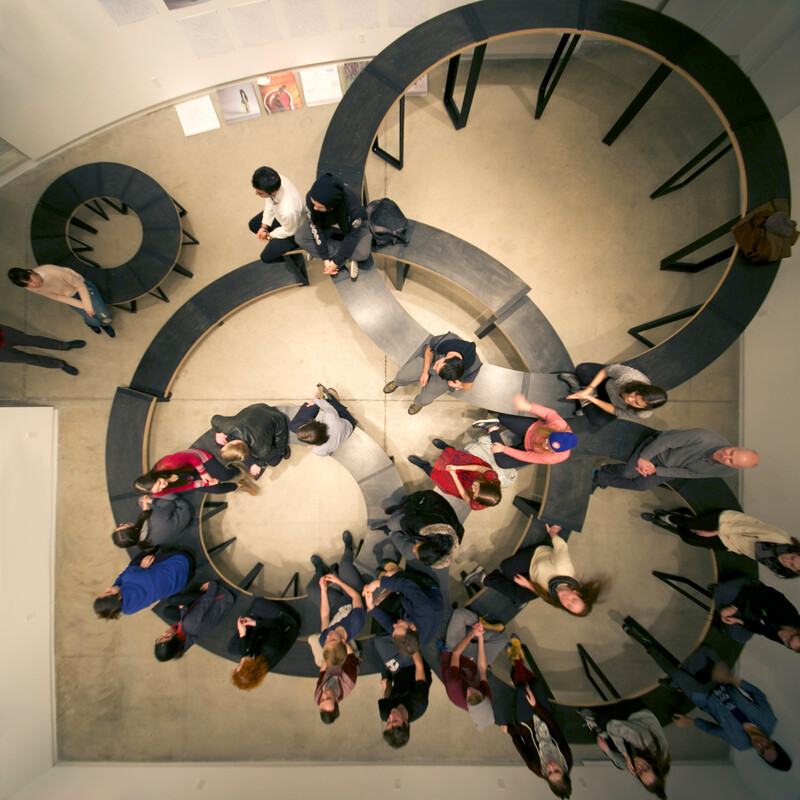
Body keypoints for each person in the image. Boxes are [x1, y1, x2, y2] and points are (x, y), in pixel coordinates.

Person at [622, 627, 792, 772]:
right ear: (772, 741)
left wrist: (687, 721)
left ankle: (646, 643)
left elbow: (712, 729)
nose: (760, 746)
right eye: (766, 746)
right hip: (723, 682)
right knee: (704, 652)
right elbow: (758, 694)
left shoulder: (739, 742)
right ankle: (678, 685)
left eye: (761, 752)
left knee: (679, 674)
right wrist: (733, 679)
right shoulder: (768, 719)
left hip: (705, 699)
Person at [466, 524, 604, 616]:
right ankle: (511, 587)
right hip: (537, 557)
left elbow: (544, 594)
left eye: (568, 606)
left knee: (519, 596)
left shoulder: (557, 600)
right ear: (576, 592)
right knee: (506, 568)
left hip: (536, 580)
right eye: (573, 600)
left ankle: (483, 577)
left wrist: (529, 585)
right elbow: (561, 547)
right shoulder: (564, 570)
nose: (566, 601)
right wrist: (553, 533)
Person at [502, 636, 573, 797]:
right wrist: (536, 706)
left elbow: (522, 748)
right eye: (556, 770)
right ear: (564, 771)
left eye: (549, 772)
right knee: (535, 686)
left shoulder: (536, 768)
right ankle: (517, 659)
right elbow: (554, 727)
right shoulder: (567, 758)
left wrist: (511, 732)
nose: (551, 766)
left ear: (546, 777)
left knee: (522, 689)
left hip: (527, 726)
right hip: (545, 720)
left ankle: (517, 659)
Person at [308, 531, 366, 724]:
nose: (324, 694)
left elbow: (325, 616)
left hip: (337, 610)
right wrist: (339, 581)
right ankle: (349, 548)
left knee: (312, 590)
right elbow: (357, 599)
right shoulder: (348, 681)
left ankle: (321, 571)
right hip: (352, 599)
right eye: (328, 698)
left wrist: (324, 590)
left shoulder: (327, 640)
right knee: (344, 567)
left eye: (322, 699)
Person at [641, 507, 799, 578]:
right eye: (792, 557)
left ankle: (682, 515)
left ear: (793, 571)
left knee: (690, 539)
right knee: (692, 526)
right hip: (730, 523)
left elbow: (750, 551)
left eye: (791, 564)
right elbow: (744, 527)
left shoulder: (777, 567)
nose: (787, 560)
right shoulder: (780, 539)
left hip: (732, 543)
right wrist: (716, 532)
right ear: (795, 551)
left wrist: (725, 542)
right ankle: (667, 517)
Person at [593, 429, 759, 492]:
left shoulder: (726, 471)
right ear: (735, 446)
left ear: (735, 468)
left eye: (730, 461)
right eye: (731, 452)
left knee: (641, 485)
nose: (725, 456)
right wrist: (644, 459)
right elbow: (665, 442)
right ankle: (606, 470)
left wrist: (657, 471)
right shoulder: (705, 438)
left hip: (668, 466)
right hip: (659, 450)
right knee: (628, 473)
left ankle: (600, 477)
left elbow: (690, 473)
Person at [578, 701, 670, 798]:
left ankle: (599, 730)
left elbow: (624, 765)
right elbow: (612, 725)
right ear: (653, 765)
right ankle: (597, 722)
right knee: (603, 720)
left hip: (633, 735)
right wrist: (625, 754)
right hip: (636, 713)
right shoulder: (647, 743)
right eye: (645, 768)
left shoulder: (643, 775)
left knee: (618, 761)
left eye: (640, 772)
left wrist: (608, 751)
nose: (639, 767)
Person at [294, 172, 374, 281]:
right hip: (327, 226)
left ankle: (334, 254)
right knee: (300, 237)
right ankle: (345, 257)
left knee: (363, 253)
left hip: (348, 228)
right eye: (313, 204)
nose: (315, 208)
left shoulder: (353, 203)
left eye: (319, 206)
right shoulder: (311, 197)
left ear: (331, 206)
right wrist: (326, 259)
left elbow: (352, 236)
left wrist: (336, 262)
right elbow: (315, 227)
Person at [383, 331, 483, 415]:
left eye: (436, 367)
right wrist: (425, 371)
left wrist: (458, 386)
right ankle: (397, 382)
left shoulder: (473, 366)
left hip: (446, 377)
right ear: (447, 357)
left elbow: (468, 386)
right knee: (403, 375)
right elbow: (429, 351)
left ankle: (418, 403)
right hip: (431, 358)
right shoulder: (442, 341)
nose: (434, 368)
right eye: (438, 365)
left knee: (426, 399)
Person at [440, 608, 506, 731]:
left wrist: (471, 635)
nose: (470, 691)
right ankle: (479, 626)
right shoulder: (488, 698)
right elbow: (481, 669)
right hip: (472, 663)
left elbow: (456, 654)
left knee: (459, 614)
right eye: (476, 693)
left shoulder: (454, 689)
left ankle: (470, 630)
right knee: (501, 640)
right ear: (484, 697)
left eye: (469, 697)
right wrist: (480, 637)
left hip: (453, 653)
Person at [473, 394, 577, 468]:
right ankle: (492, 407)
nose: (545, 446)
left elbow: (525, 456)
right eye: (547, 441)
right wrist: (527, 406)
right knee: (503, 418)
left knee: (503, 463)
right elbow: (549, 413)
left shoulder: (552, 458)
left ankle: (492, 428)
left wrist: (503, 449)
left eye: (549, 448)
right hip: (532, 429)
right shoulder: (560, 425)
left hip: (529, 450)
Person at [8, 265, 115, 337]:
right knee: (94, 320)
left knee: (105, 317)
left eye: (30, 280)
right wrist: (83, 307)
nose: (33, 285)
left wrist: (87, 306)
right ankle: (91, 323)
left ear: (30, 272)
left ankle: (105, 325)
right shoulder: (31, 287)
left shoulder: (53, 273)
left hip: (82, 287)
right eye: (27, 285)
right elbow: (58, 297)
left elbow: (81, 286)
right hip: (69, 297)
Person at [558, 363, 667, 427]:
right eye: (635, 395)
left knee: (598, 422)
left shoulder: (643, 414)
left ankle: (582, 395)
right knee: (583, 369)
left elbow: (615, 411)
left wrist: (590, 397)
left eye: (636, 403)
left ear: (644, 408)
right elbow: (606, 371)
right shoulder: (629, 376)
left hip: (610, 403)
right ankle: (585, 402)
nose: (630, 399)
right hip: (605, 384)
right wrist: (589, 389)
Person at [93, 550, 193, 619]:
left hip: (182, 583)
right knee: (135, 563)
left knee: (137, 566)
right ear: (118, 597)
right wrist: (141, 567)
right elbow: (125, 573)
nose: (107, 588)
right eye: (108, 592)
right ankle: (153, 542)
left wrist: (115, 587)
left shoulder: (127, 610)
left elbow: (122, 578)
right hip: (183, 561)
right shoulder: (131, 577)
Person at [363, 566, 444, 651]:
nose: (394, 625)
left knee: (378, 603)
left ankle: (391, 588)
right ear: (413, 628)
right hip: (426, 588)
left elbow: (387, 623)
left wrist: (371, 607)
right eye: (398, 626)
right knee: (390, 576)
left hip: (412, 609)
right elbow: (406, 585)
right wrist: (377, 584)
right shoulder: (424, 610)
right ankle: (397, 572)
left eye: (394, 629)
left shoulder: (408, 638)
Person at [227, 597, 301, 690]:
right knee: (257, 604)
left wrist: (242, 633)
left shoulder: (251, 660)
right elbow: (276, 625)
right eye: (244, 663)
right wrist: (255, 623)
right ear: (254, 666)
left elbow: (246, 651)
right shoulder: (269, 650)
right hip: (284, 624)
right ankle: (252, 619)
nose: (241, 660)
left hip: (265, 636)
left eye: (239, 664)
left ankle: (249, 622)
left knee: (231, 649)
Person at [408, 438, 501, 510]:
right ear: (487, 483)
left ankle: (424, 466)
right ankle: (447, 448)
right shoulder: (491, 476)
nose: (473, 489)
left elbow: (464, 494)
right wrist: (457, 467)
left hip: (463, 486)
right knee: (455, 458)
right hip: (472, 470)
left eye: (474, 495)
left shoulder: (476, 505)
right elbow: (477, 467)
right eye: (476, 488)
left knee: (440, 477)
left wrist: (454, 476)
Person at [154, 579, 235, 661]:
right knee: (173, 600)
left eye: (160, 637)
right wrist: (212, 585)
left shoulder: (182, 645)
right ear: (175, 641)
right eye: (167, 636)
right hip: (221, 597)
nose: (164, 633)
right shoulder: (190, 623)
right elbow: (206, 602)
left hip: (194, 618)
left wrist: (183, 611)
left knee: (167, 612)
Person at [713, 576, 800, 650]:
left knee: (741, 637)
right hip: (751, 589)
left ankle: (726, 610)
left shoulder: (783, 638)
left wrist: (737, 620)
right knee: (721, 592)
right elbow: (748, 591)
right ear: (794, 630)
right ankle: (726, 607)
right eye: (789, 638)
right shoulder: (785, 611)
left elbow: (762, 630)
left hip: (754, 611)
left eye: (787, 644)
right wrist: (733, 608)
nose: (785, 639)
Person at [210, 403, 290, 476]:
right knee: (220, 442)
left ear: (236, 442)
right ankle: (252, 463)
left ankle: (283, 450)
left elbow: (271, 452)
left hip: (276, 418)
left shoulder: (260, 448)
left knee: (274, 461)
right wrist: (218, 432)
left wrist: (259, 464)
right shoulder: (228, 426)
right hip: (257, 408)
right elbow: (214, 419)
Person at [247, 166, 304, 264]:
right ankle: (276, 245)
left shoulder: (288, 210)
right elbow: (270, 201)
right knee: (253, 224)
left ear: (273, 191)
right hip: (282, 218)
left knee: (266, 257)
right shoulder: (276, 180)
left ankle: (296, 258)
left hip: (295, 231)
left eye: (260, 193)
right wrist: (264, 226)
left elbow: (288, 231)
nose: (256, 194)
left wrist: (269, 236)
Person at [133, 448, 245, 496]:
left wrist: (203, 472)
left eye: (159, 483)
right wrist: (205, 483)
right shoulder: (157, 493)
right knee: (217, 488)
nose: (163, 486)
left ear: (154, 476)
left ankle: (235, 469)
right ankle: (237, 486)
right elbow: (183, 487)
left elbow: (191, 457)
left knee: (225, 475)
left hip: (195, 460)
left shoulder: (168, 464)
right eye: (158, 489)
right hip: (188, 477)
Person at [378, 649, 432, 749]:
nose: (390, 716)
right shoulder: (419, 704)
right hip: (413, 667)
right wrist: (411, 645)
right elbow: (419, 667)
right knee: (389, 642)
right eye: (394, 721)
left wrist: (388, 684)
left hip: (398, 674)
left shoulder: (386, 714)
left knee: (379, 643)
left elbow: (387, 695)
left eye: (388, 722)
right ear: (406, 724)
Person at [289, 384, 355, 457]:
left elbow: (325, 454)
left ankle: (319, 401)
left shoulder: (317, 450)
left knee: (294, 426)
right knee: (329, 403)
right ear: (316, 425)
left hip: (339, 439)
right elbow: (328, 407)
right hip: (348, 424)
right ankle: (330, 398)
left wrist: (314, 445)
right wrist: (315, 400)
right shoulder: (330, 418)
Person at [111, 493, 193, 551]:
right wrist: (150, 500)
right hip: (182, 509)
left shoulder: (139, 543)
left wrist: (146, 511)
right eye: (125, 525)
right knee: (143, 497)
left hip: (175, 525)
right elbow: (170, 505)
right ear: (134, 530)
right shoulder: (155, 518)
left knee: (142, 502)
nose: (121, 523)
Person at [0, 323, 84, 375]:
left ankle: (64, 346)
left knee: (33, 340)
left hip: (3, 333)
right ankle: (59, 364)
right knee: (28, 359)